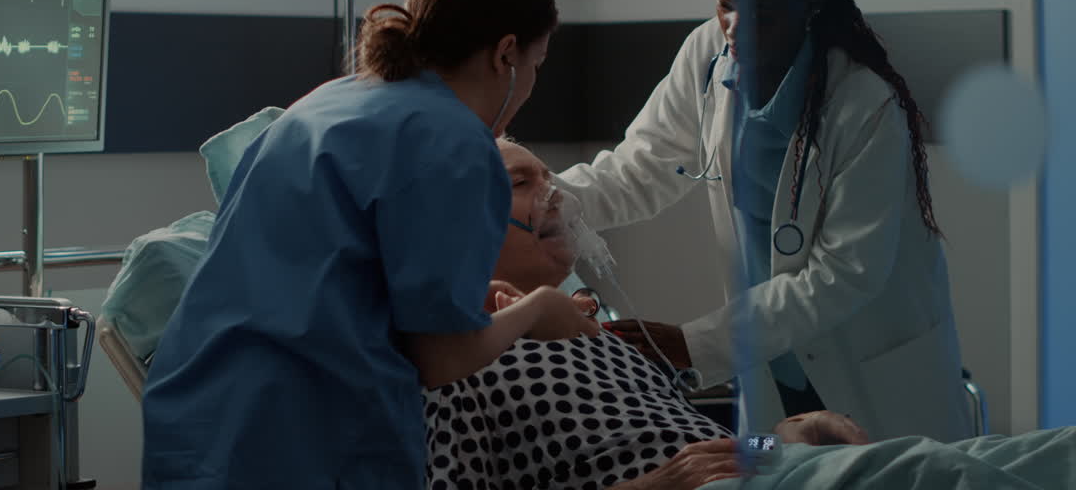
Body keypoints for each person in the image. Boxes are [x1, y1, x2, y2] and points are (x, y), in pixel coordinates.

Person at [141, 0, 598, 490]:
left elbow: (329, 269)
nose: (530, 85)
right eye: (537, 65)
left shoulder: (330, 102)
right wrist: (537, 312)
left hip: (196, 416)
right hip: (302, 438)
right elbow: (442, 358)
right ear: (505, 54)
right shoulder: (453, 142)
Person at [554, 0, 973, 441]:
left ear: (811, 3)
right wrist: (537, 198)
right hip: (772, 366)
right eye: (725, 3)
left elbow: (842, 274)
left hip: (870, 366)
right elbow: (640, 167)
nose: (735, 28)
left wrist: (693, 343)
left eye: (762, 12)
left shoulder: (864, 105)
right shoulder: (706, 56)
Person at [427, 140, 1076, 490]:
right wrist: (656, 488)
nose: (556, 196)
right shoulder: (454, 355)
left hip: (757, 475)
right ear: (459, 226)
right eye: (522, 182)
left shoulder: (601, 336)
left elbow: (715, 453)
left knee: (1044, 454)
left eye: (551, 177)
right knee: (935, 475)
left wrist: (783, 438)